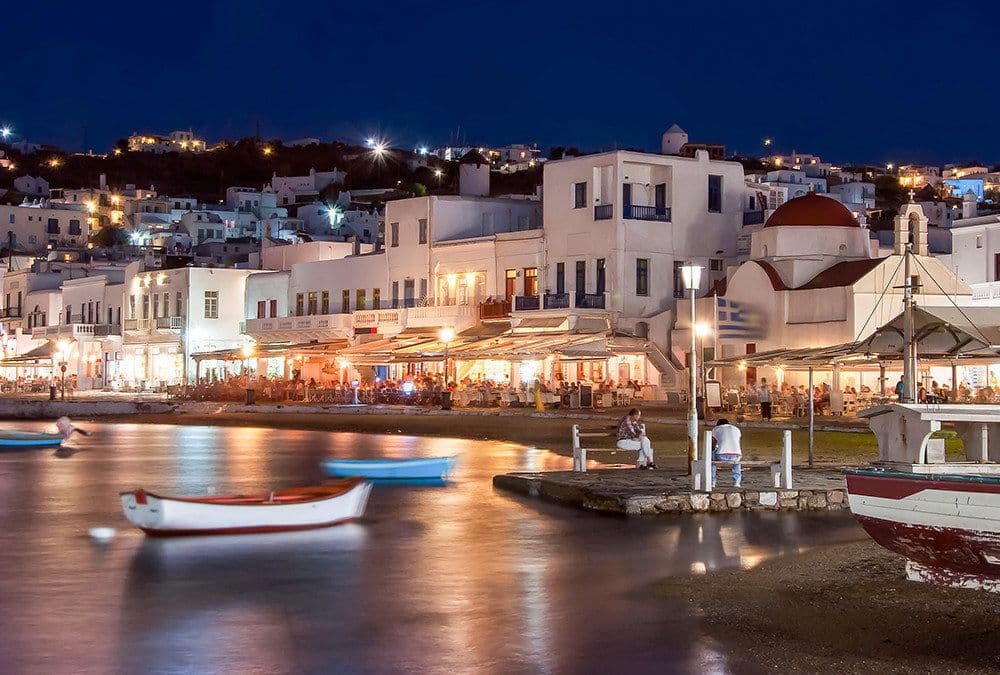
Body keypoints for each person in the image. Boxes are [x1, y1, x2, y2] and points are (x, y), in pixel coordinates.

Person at [711, 418, 743, 488]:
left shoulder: (716, 429)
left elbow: (713, 444)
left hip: (721, 455)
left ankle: (712, 482)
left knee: (711, 459)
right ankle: (737, 482)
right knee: (737, 461)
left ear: (718, 424)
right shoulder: (736, 429)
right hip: (736, 456)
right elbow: (738, 443)